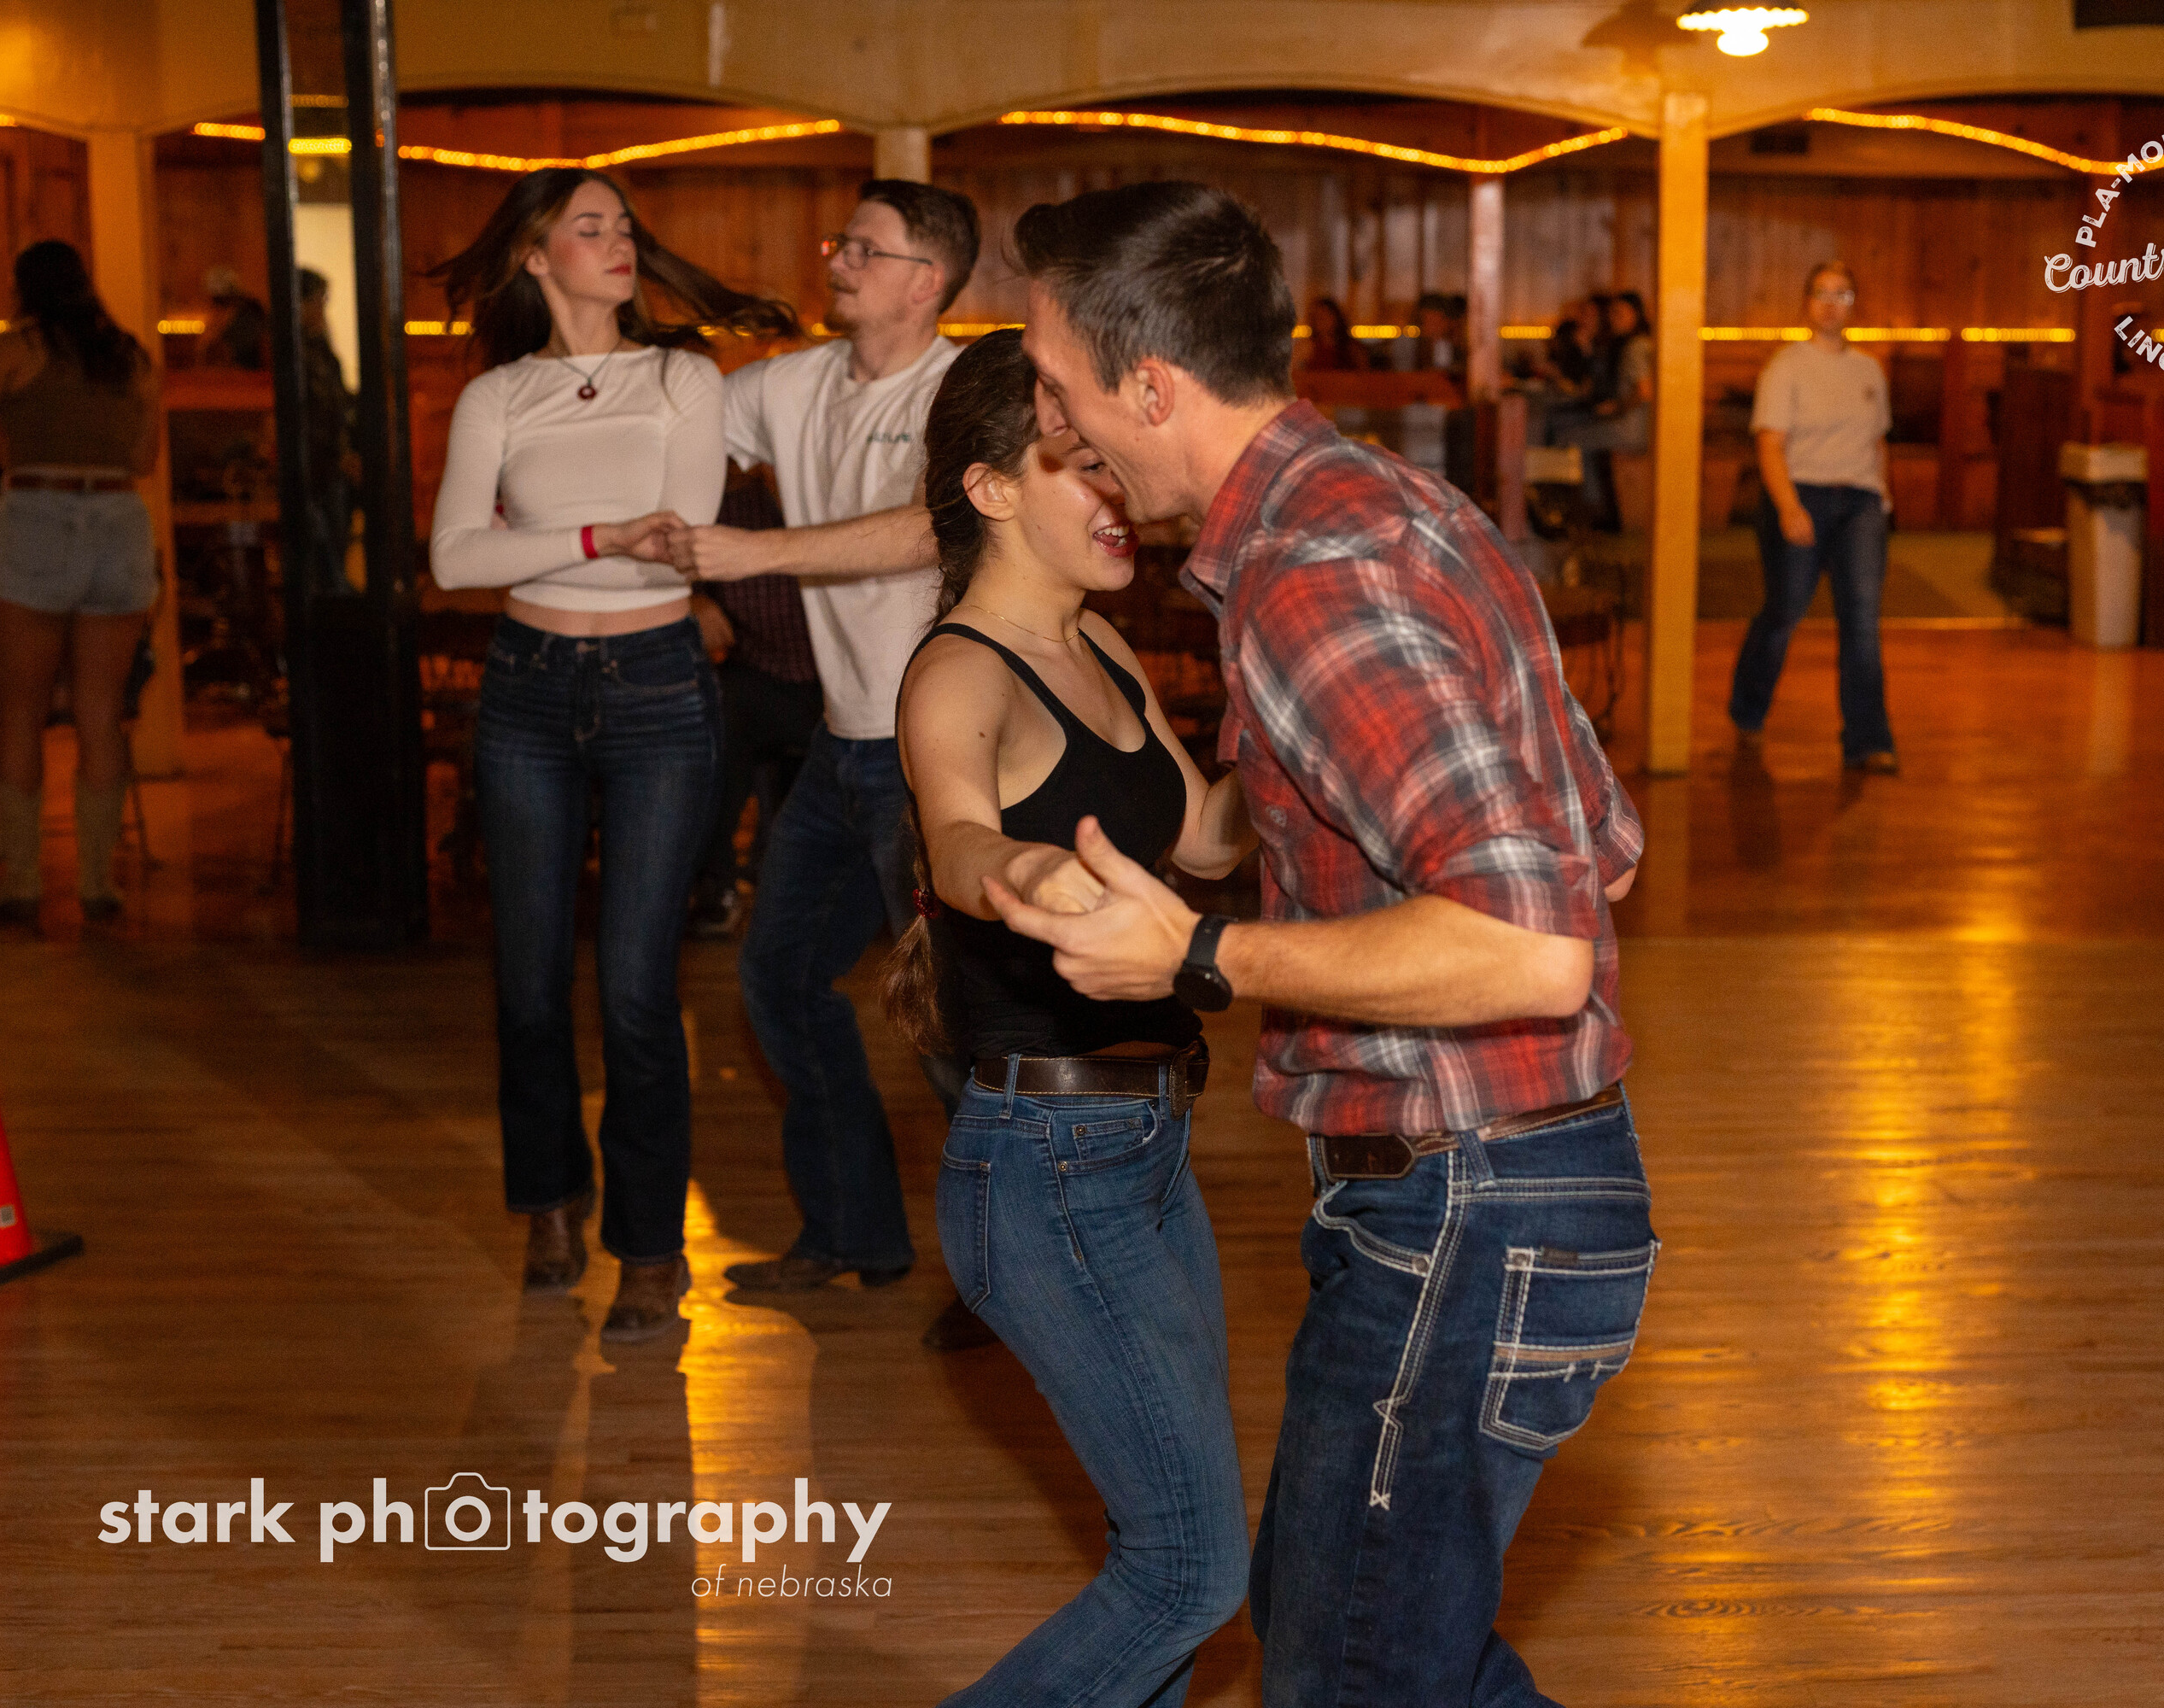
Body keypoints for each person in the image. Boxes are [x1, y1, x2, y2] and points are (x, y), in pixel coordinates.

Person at [1003, 180, 1652, 1708]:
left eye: (1055, 383)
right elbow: (1602, 839)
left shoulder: (1310, 574)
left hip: (1465, 1207)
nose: (1049, 425)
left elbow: (1534, 946)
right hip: (1505, 1191)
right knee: (1373, 1647)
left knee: (1350, 1675)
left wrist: (1204, 957)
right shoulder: (1380, 508)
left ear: (1150, 386)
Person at [885, 327, 1256, 1705]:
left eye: (1116, 465)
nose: (1120, 497)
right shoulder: (962, 671)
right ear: (989, 488)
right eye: (1078, 466)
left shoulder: (1097, 641)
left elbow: (1203, 844)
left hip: (1146, 1148)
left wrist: (1291, 727)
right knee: (1192, 1572)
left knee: (1167, 1551)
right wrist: (1029, 878)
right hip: (1046, 1166)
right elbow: (957, 840)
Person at [425, 167, 798, 1341]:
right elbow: (453, 559)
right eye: (588, 227)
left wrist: (542, 542)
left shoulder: (682, 377)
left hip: (656, 687)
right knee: (528, 980)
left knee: (639, 989)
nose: (617, 241)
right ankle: (548, 1200)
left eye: (624, 225)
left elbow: (674, 546)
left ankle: (648, 1248)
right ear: (535, 257)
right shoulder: (496, 396)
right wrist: (597, 534)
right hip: (527, 689)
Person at [662, 179, 991, 1348]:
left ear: (926, 280)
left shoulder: (965, 389)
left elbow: (936, 526)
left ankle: (1004, 1282)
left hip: (939, 755)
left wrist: (751, 552)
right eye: (840, 241)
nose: (838, 258)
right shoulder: (791, 383)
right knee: (779, 978)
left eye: (865, 247)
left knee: (953, 1021)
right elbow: (675, 422)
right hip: (842, 743)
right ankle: (855, 1230)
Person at [0, 239, 161, 924]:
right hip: (119, 520)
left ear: (22, 287)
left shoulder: (11, 350)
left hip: (37, 517)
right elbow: (144, 458)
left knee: (19, 710)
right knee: (101, 712)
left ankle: (22, 881)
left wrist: (19, 442)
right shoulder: (131, 356)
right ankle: (97, 881)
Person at [1725, 260, 1898, 772]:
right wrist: (1788, 506)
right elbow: (1770, 445)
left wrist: (1883, 496)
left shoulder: (1869, 371)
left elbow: (1877, 441)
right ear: (1806, 303)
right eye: (1821, 293)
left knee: (1862, 618)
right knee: (1785, 610)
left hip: (1861, 502)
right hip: (1802, 495)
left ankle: (1868, 740)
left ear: (1853, 306)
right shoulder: (1786, 367)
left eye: (1842, 294)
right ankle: (1748, 709)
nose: (1830, 303)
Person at [684, 471, 822, 941]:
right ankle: (716, 887)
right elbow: (668, 564)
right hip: (757, 672)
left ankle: (817, 892)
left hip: (841, 680)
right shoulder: (720, 507)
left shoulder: (830, 491)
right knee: (710, 724)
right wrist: (692, 598)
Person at [1548, 290, 1652, 531]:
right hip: (1631, 423)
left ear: (1636, 315)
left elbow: (1645, 392)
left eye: (1620, 314)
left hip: (1632, 428)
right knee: (1570, 430)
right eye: (1612, 314)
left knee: (1567, 437)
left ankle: (1590, 510)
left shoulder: (1635, 347)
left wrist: (1616, 407)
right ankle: (1595, 508)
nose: (1614, 319)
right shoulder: (1629, 344)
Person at [295, 267, 358, 581]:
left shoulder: (318, 349)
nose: (322, 309)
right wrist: (338, 455)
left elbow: (337, 402)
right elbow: (313, 413)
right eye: (317, 301)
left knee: (335, 538)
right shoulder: (299, 354)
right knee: (325, 543)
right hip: (319, 465)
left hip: (331, 462)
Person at [1297, 295, 1366, 372]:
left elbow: (1364, 374)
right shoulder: (1307, 347)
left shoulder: (1352, 348)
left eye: (1325, 316)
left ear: (1336, 318)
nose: (1321, 322)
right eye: (1317, 317)